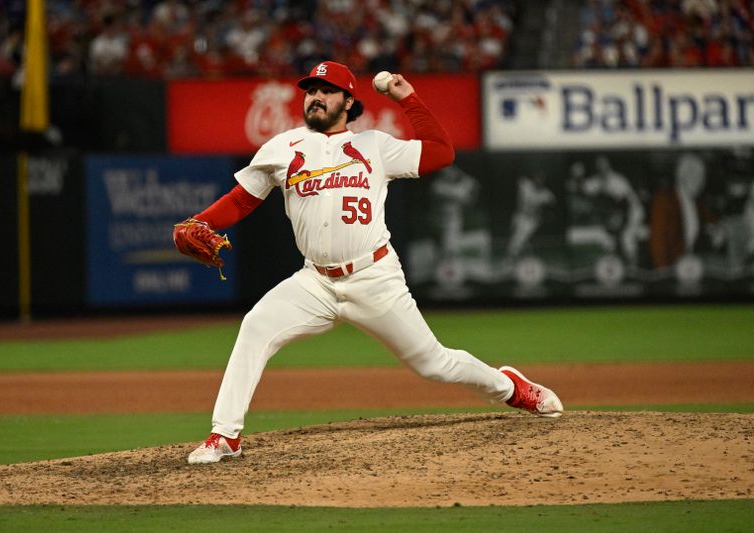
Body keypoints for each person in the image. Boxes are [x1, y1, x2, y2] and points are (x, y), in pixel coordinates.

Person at [179, 61, 563, 464]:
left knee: (434, 363)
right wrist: (201, 221)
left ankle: (511, 388)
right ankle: (225, 436)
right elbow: (242, 200)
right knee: (256, 327)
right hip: (315, 283)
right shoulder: (283, 147)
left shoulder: (375, 147)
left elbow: (441, 152)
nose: (315, 97)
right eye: (310, 90)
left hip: (373, 276)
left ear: (348, 100)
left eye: (326, 90)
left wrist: (408, 99)